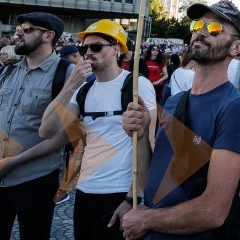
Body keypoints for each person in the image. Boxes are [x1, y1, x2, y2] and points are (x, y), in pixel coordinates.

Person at [120, 0, 240, 239]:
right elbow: (154, 183)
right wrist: (141, 137)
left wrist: (146, 220)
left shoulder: (235, 107)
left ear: (237, 48)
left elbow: (213, 211)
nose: (201, 32)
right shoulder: (174, 102)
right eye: (197, 25)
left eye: (215, 29)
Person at [39, 19, 156, 240]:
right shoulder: (83, 90)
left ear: (116, 49)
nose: (88, 53)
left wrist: (133, 198)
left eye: (96, 46)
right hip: (85, 191)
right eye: (84, 48)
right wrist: (71, 84)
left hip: (119, 192)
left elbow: (149, 142)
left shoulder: (136, 85)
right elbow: (47, 130)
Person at [0, 13, 74, 239]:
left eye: (27, 29)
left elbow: (65, 133)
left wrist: (15, 161)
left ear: (48, 36)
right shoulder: (9, 70)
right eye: (19, 28)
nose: (18, 33)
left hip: (35, 179)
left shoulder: (66, 73)